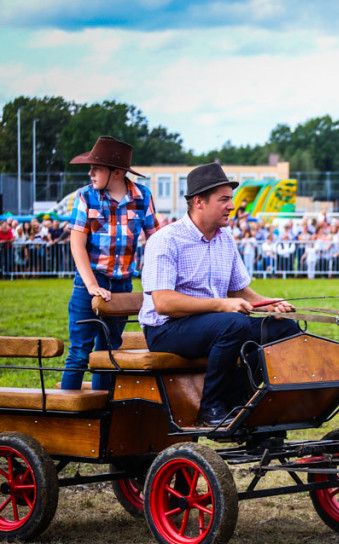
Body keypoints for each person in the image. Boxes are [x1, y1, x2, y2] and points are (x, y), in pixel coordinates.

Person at [139, 163, 299, 427]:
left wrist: (269, 305)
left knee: (284, 329)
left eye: (231, 199)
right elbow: (163, 303)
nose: (232, 205)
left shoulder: (225, 238)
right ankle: (211, 407)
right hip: (167, 330)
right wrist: (223, 305)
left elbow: (239, 290)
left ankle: (245, 399)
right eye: (224, 199)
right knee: (233, 323)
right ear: (199, 202)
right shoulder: (166, 240)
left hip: (216, 324)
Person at [61, 136, 159, 391]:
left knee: (109, 351)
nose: (90, 173)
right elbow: (76, 244)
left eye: (97, 168)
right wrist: (92, 285)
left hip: (122, 284)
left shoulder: (142, 196)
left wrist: (156, 279)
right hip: (89, 281)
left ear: (117, 172)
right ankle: (67, 415)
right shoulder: (86, 197)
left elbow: (155, 240)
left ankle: (104, 410)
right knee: (80, 352)